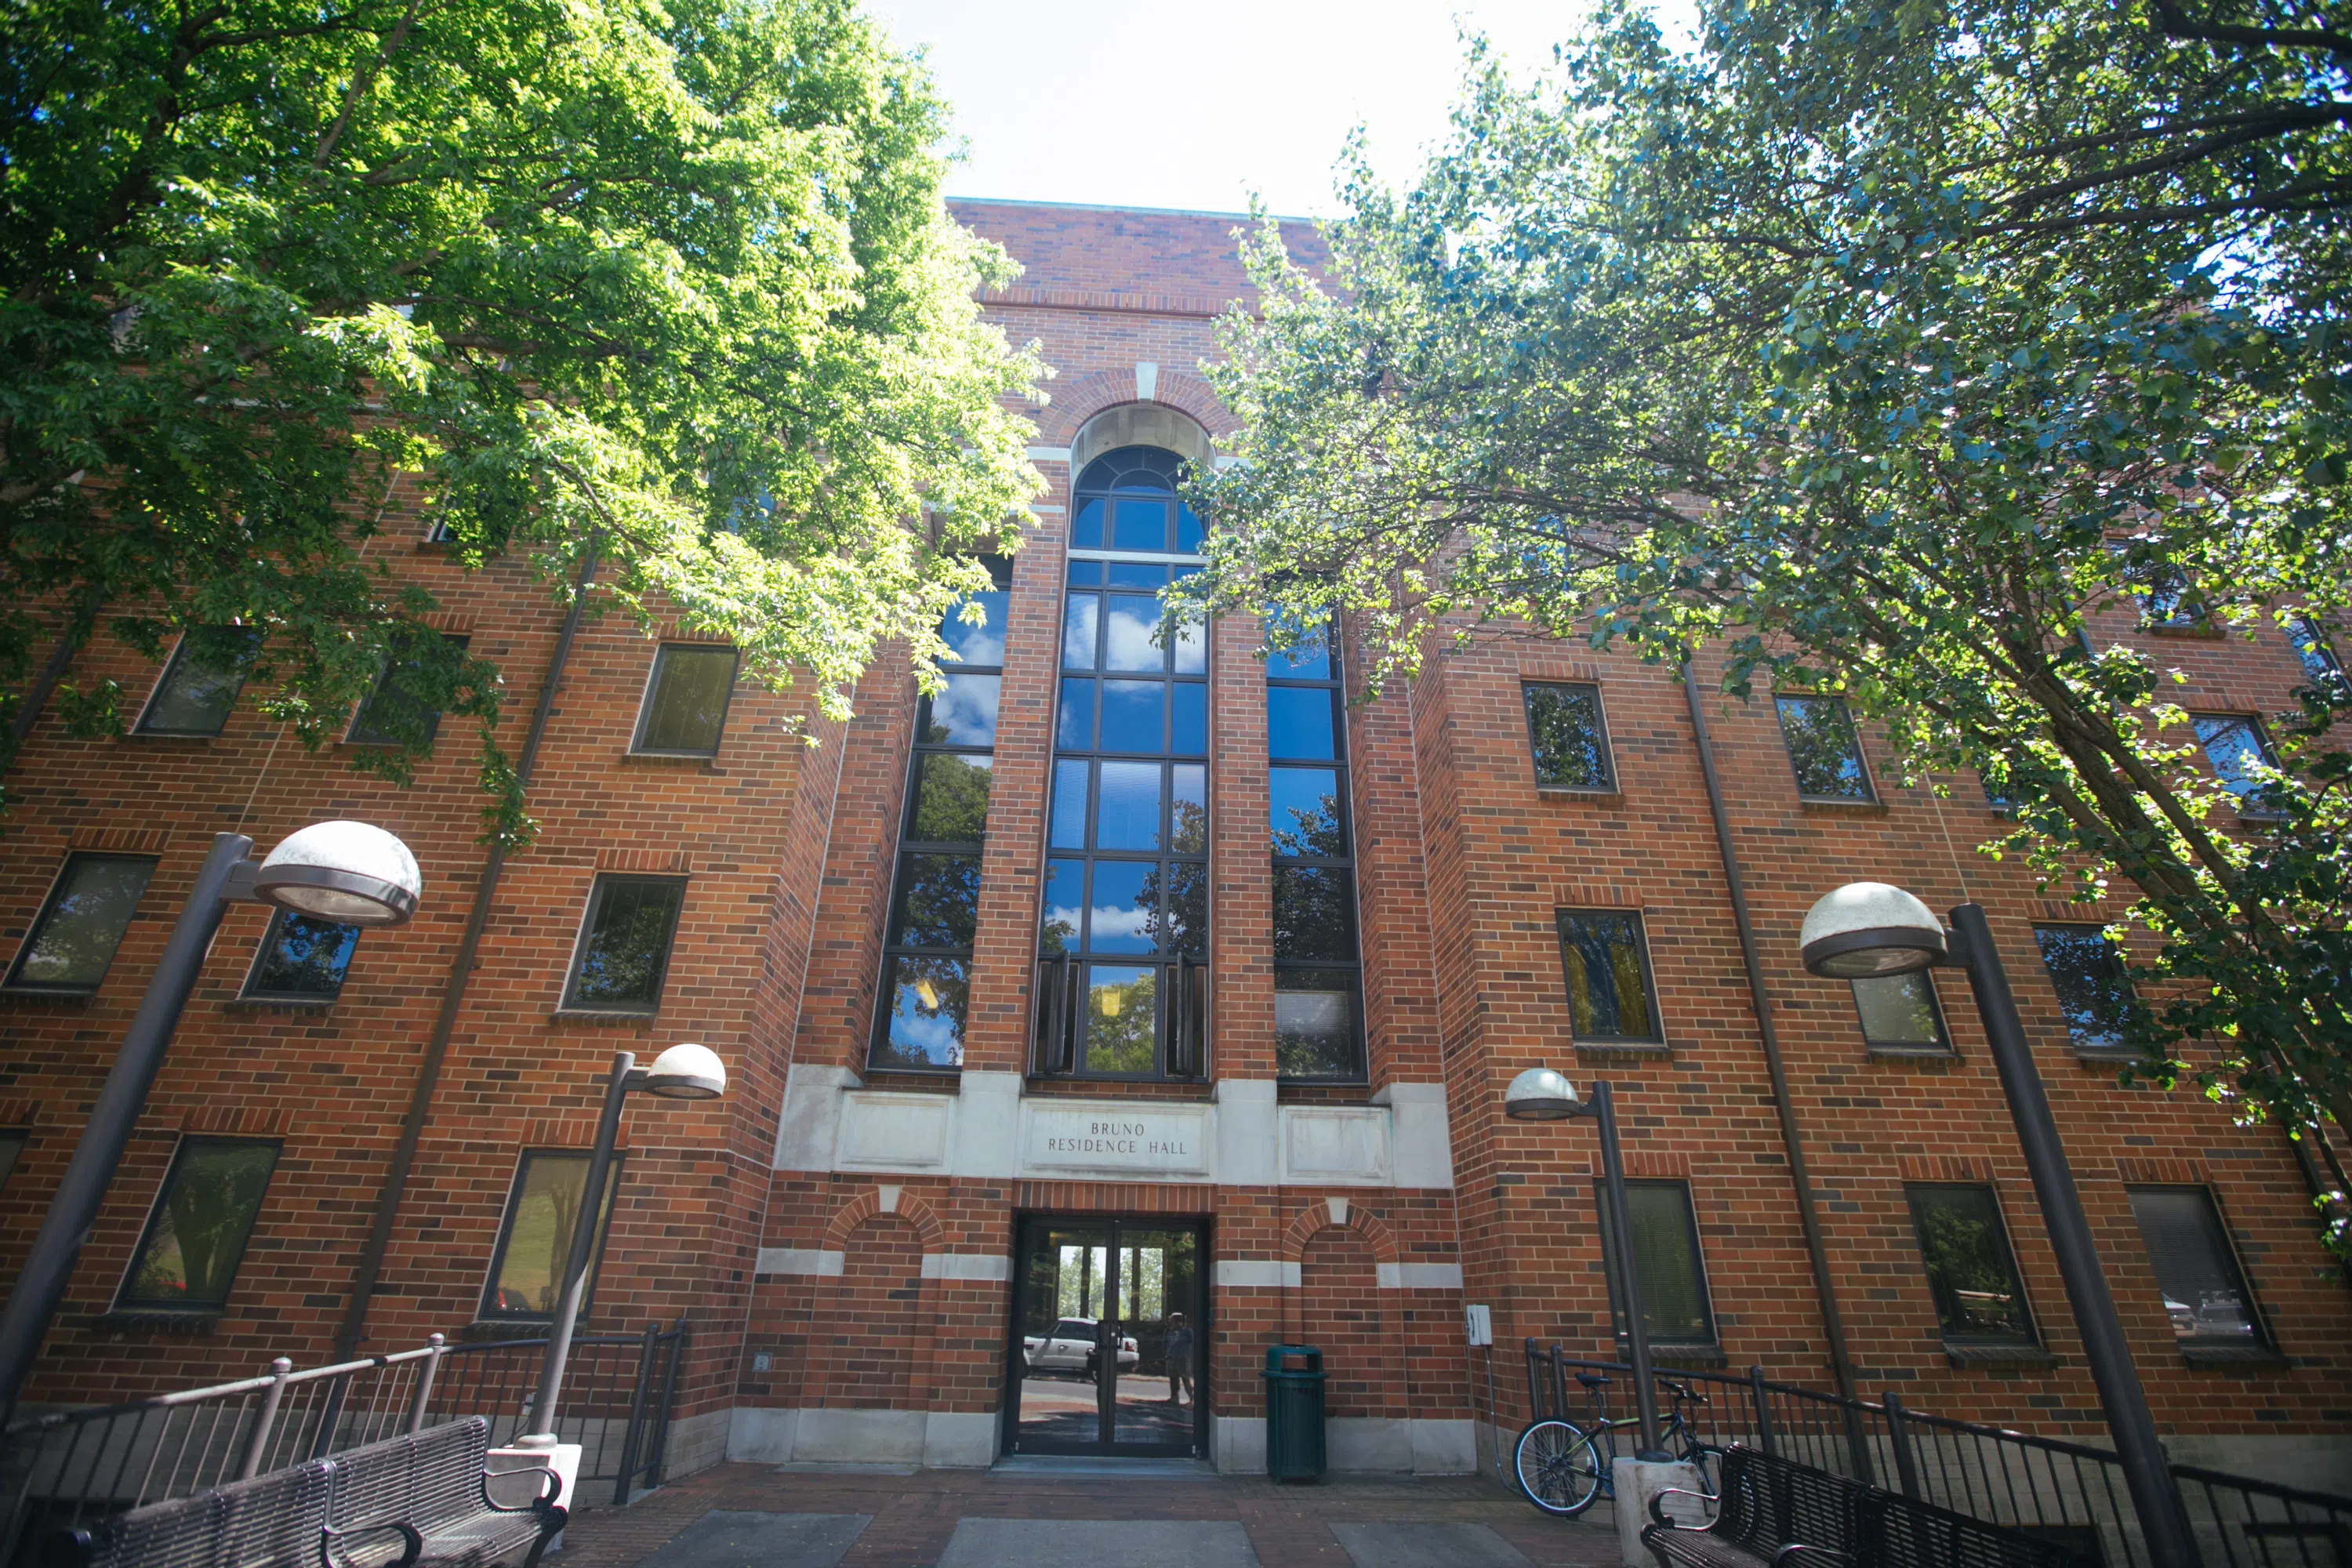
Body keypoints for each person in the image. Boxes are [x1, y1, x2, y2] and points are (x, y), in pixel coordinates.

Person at [1164, 1312, 1194, 1405]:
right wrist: (1166, 1355)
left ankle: (1192, 1398)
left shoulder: (1187, 1331)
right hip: (1171, 1358)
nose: (1172, 1323)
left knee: (1186, 1379)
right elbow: (1164, 1343)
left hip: (1183, 1359)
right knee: (1173, 1379)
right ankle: (1174, 1398)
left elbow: (1192, 1342)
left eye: (1173, 1321)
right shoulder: (1168, 1331)